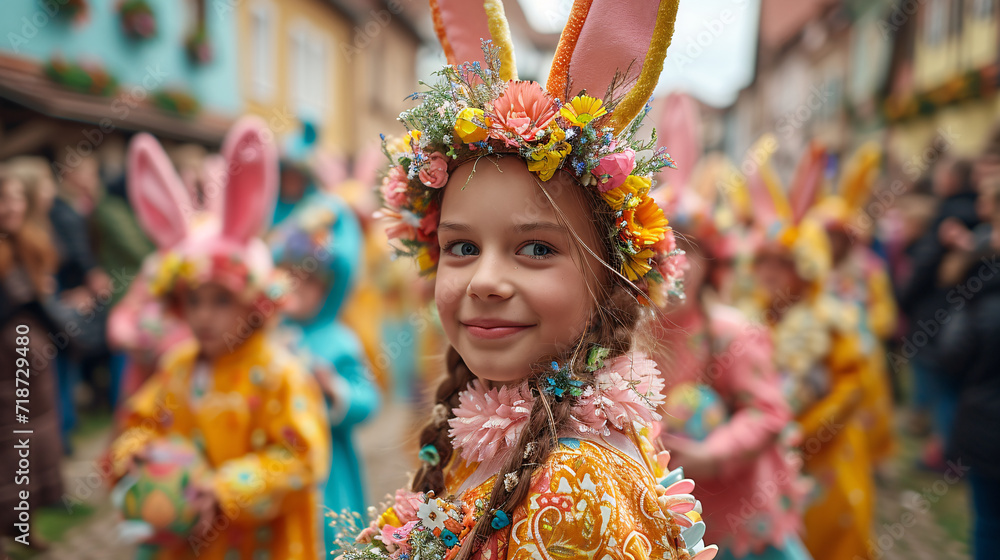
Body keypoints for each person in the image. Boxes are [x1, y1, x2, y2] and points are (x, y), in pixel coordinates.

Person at [336, 1, 718, 559]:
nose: (486, 280)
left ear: (607, 281)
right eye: (462, 247)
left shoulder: (572, 489)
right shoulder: (506, 418)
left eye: (536, 248)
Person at [107, 118, 330, 560]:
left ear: (253, 303)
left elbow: (302, 458)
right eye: (193, 302)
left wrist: (223, 488)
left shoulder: (279, 374)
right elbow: (139, 422)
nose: (204, 317)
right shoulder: (178, 366)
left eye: (220, 302)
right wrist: (135, 455)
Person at [743, 143, 873, 560]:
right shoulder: (747, 320)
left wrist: (802, 433)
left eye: (779, 266)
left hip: (824, 461)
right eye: (762, 264)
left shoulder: (833, 321)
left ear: (802, 272)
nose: (767, 275)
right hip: (764, 462)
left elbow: (850, 389)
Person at [268, 186, 380, 553]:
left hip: (327, 467)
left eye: (311, 279)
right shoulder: (266, 333)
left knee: (327, 536)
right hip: (271, 459)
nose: (298, 286)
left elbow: (368, 397)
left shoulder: (338, 340)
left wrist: (334, 391)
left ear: (332, 287)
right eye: (290, 274)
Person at [812, 142, 897, 470]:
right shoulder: (812, 267)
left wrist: (860, 323)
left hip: (861, 354)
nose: (831, 245)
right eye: (826, 237)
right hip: (822, 354)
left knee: (865, 412)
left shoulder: (869, 269)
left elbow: (885, 313)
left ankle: (870, 461)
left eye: (837, 237)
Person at [0, 165, 65, 553]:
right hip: (4, 369)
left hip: (32, 365)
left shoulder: (30, 243)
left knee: (35, 445)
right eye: (3, 199)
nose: (11, 206)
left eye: (16, 197)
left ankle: (26, 527)